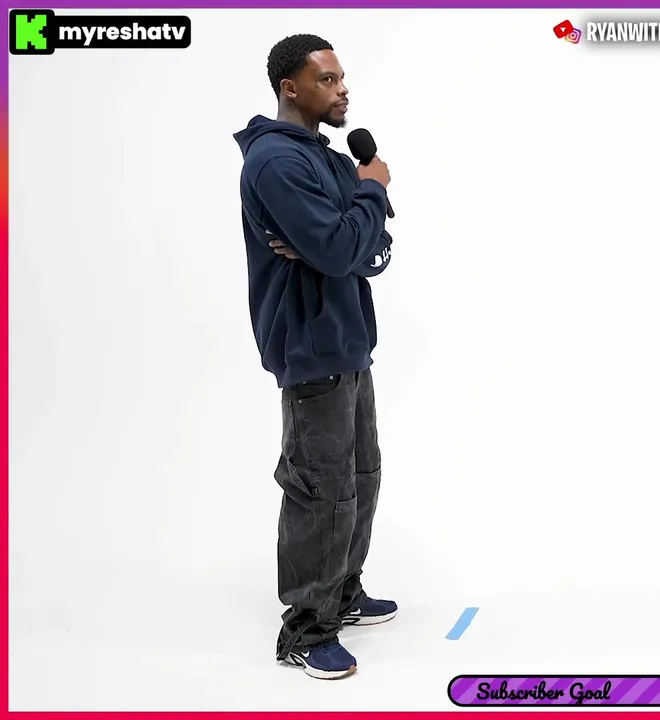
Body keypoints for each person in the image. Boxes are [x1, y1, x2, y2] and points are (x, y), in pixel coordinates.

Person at [233, 33, 398, 681]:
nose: (342, 88)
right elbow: (343, 246)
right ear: (290, 88)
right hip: (309, 342)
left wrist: (347, 237)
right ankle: (305, 628)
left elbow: (367, 250)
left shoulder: (325, 158)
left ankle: (343, 592)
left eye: (341, 77)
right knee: (319, 488)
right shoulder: (276, 161)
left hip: (349, 336)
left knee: (360, 475)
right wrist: (371, 194)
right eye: (326, 79)